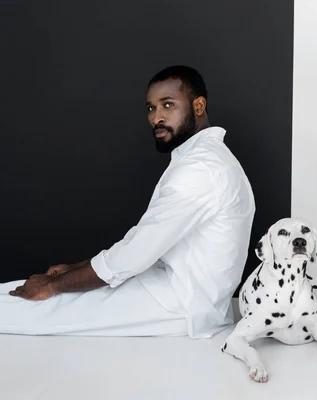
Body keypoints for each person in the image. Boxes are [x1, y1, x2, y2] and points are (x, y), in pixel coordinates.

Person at [0, 65, 256, 338]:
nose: (157, 117)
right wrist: (74, 270)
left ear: (199, 105)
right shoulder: (201, 158)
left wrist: (55, 286)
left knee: (41, 306)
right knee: (21, 294)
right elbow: (145, 244)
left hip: (183, 306)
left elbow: (135, 253)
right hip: (173, 289)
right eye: (150, 108)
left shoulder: (201, 169)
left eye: (167, 105)